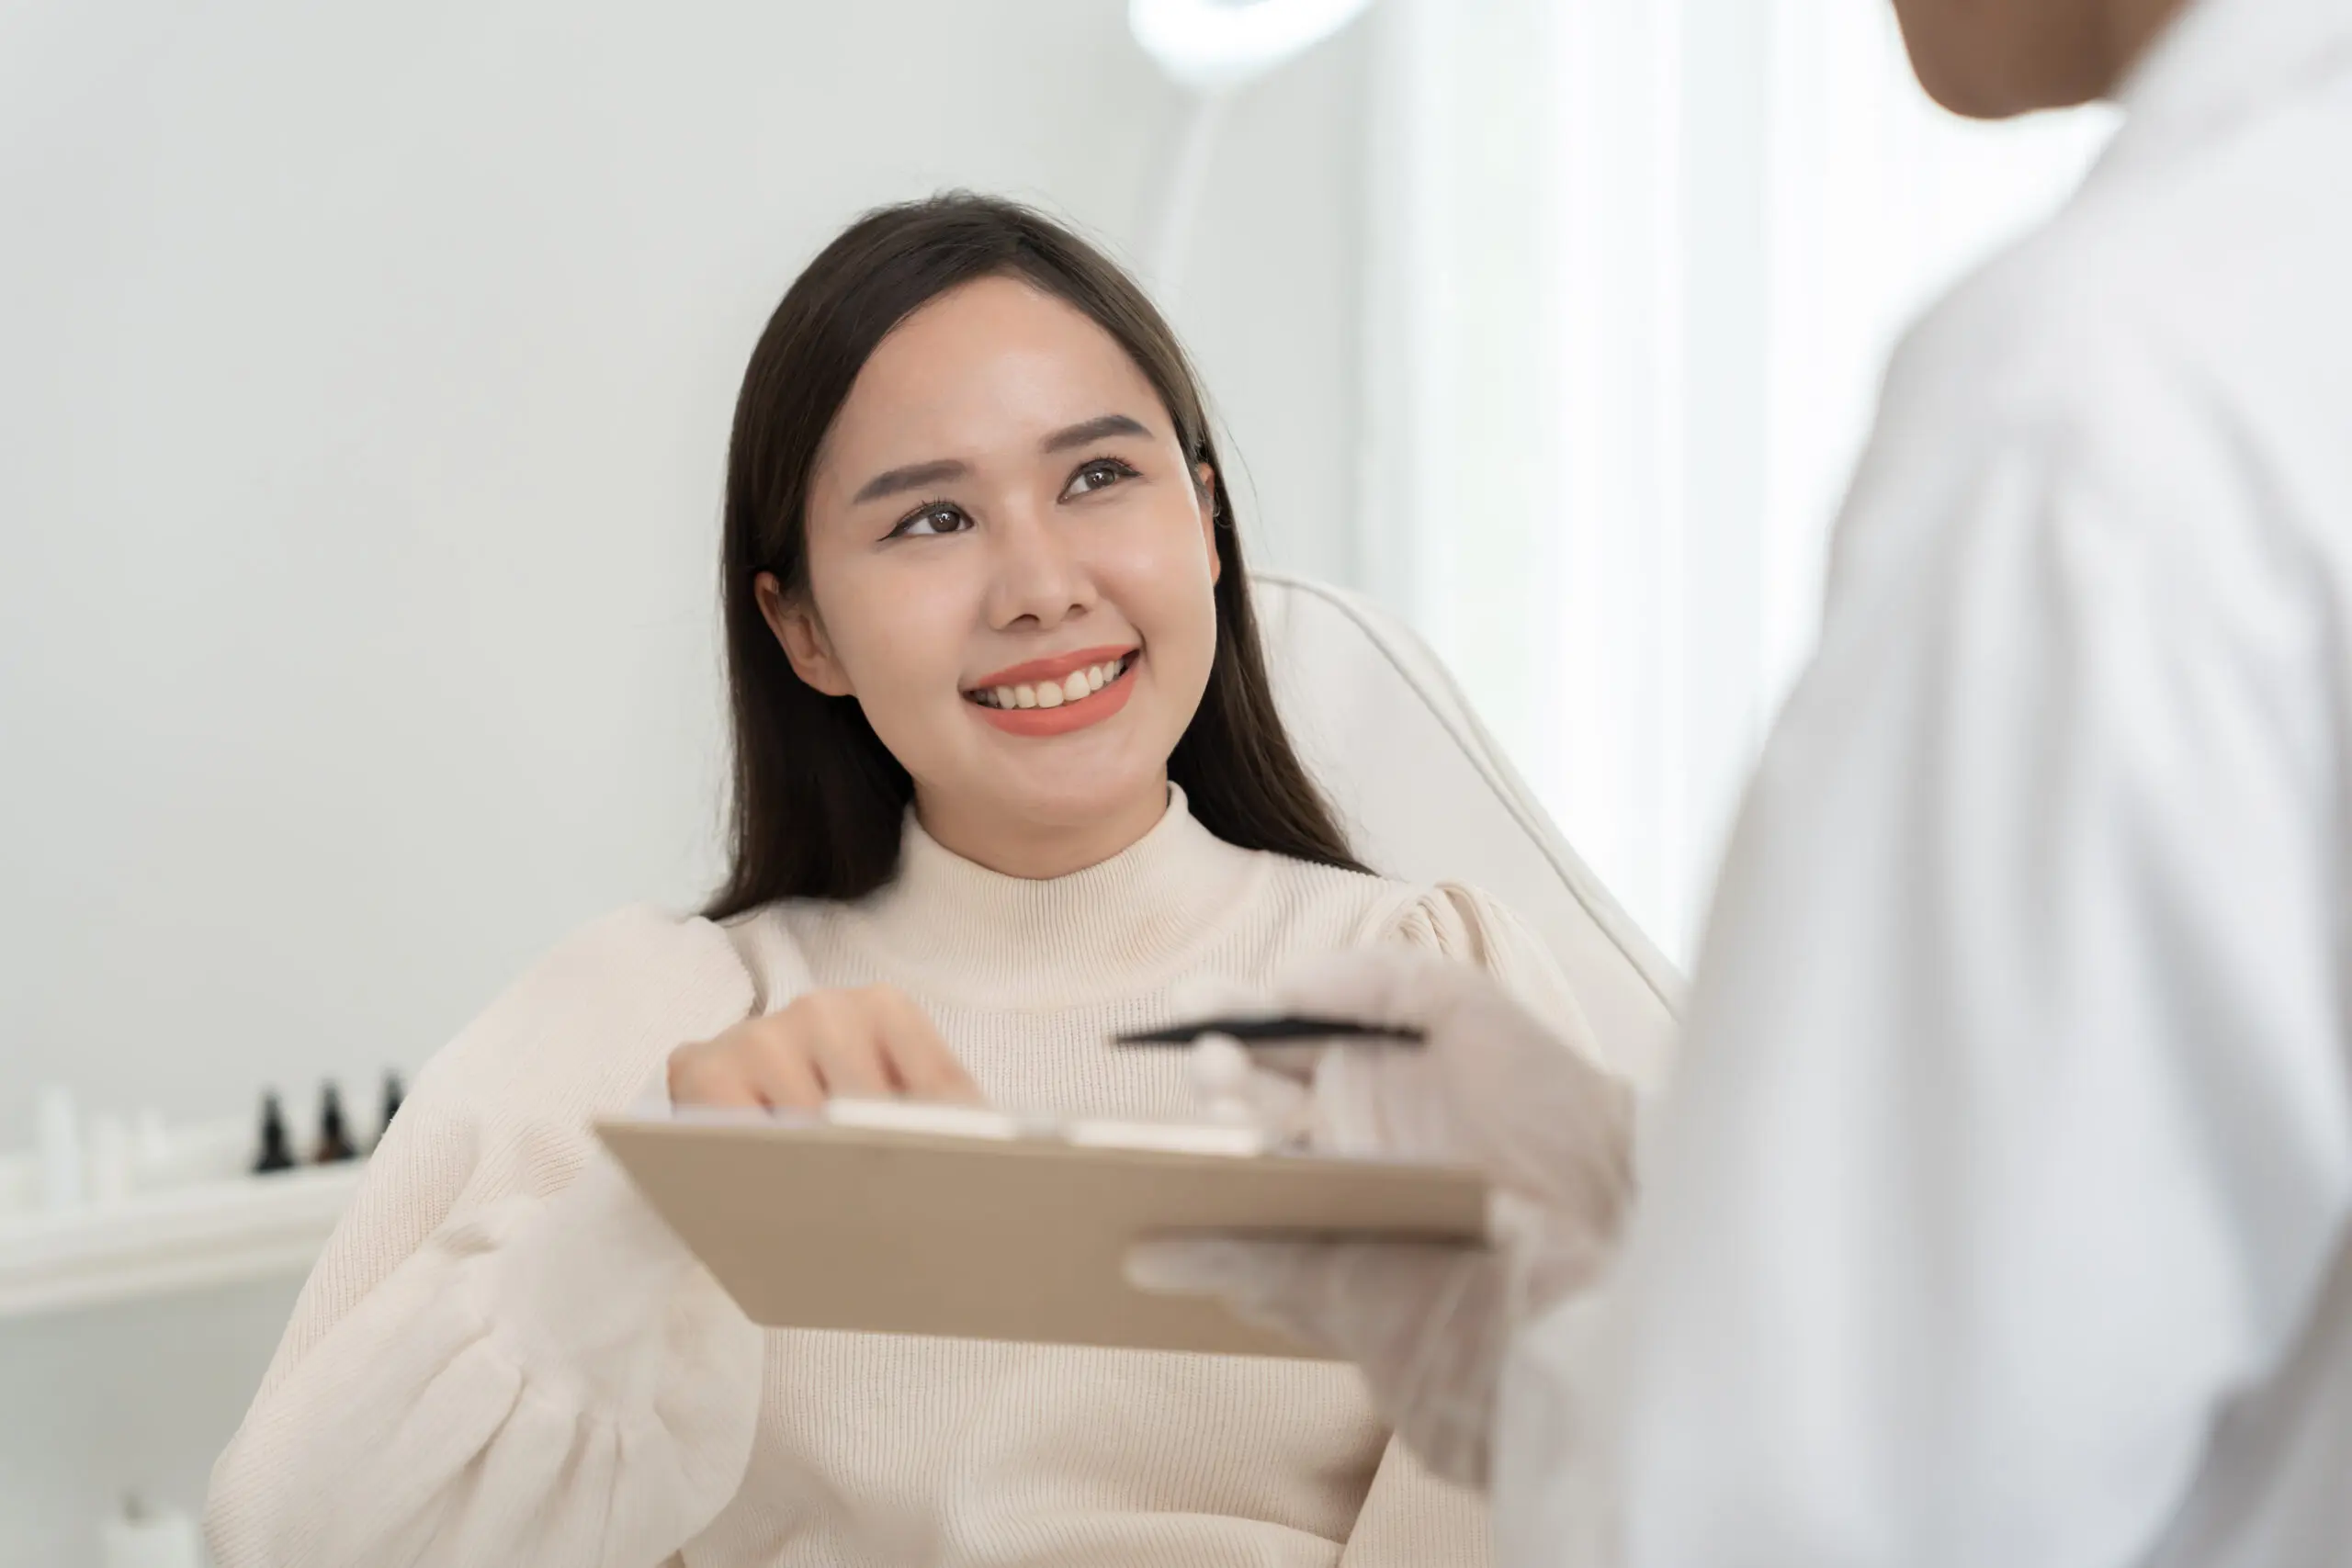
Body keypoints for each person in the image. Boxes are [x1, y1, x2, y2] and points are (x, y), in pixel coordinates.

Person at [202, 193, 1641, 1568]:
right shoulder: (664, 1025)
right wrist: (649, 1205)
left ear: (1205, 522)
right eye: (929, 520)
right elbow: (291, 1542)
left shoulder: (1426, 997)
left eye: (1097, 477)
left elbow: (1580, 1507)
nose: (1038, 584)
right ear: (804, 626)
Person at [1127, 0, 2352, 1562]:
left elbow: (1838, 1511)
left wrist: (1565, 1342)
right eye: (926, 518)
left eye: (1103, 472)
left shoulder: (2101, 415)